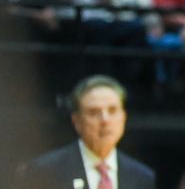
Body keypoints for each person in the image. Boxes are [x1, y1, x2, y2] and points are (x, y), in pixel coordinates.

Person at [16, 75, 155, 189]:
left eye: (112, 111)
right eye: (94, 112)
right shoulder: (45, 171)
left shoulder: (142, 177)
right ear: (76, 121)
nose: (105, 120)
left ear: (123, 117)